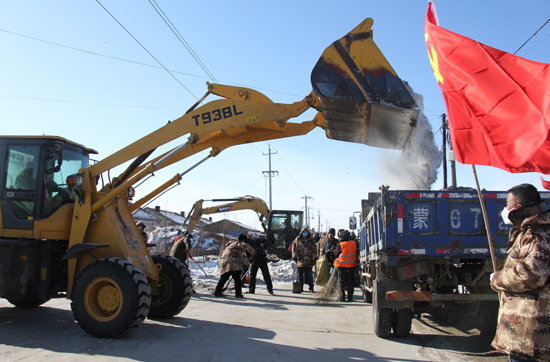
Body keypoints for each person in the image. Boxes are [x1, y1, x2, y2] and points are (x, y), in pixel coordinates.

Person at [490, 183, 550, 362]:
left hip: (532, 337)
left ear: (519, 208)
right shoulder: (528, 232)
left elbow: (531, 275)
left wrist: (497, 279)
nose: (505, 209)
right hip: (524, 334)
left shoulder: (538, 235)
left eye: (508, 204)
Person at [213, 234, 255, 298]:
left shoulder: (230, 244)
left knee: (224, 277)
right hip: (233, 263)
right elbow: (245, 246)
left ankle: (217, 291)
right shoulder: (239, 243)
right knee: (237, 278)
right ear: (243, 240)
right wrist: (253, 252)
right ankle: (238, 294)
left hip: (225, 262)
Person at [292, 227, 317, 293]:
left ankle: (311, 288)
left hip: (308, 260)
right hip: (300, 260)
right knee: (300, 276)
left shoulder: (311, 240)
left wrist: (314, 259)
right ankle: (300, 288)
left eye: (306, 232)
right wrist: (294, 256)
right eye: (304, 232)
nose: (305, 233)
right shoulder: (298, 239)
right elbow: (294, 248)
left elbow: (314, 250)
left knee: (309, 275)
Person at [334, 230, 357, 302]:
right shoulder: (354, 243)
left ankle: (342, 297)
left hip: (342, 266)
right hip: (352, 266)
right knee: (350, 282)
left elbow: (336, 253)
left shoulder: (341, 244)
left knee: (342, 282)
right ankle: (350, 297)